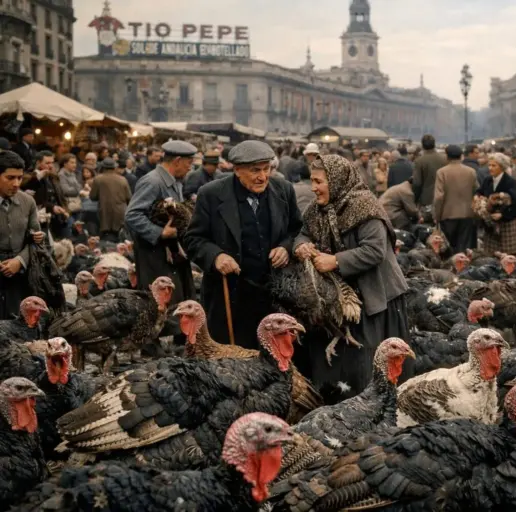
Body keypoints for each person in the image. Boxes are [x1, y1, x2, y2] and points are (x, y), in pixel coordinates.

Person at [293, 154, 409, 399]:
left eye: (318, 182)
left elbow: (374, 251)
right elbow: (304, 233)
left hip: (375, 298)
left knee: (367, 363)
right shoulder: (317, 210)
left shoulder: (364, 207)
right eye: (312, 181)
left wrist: (335, 261)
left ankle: (372, 409)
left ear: (336, 180)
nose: (313, 188)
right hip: (340, 298)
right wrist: (302, 246)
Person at [184, 140, 301, 349]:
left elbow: (297, 230)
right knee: (232, 360)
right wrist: (216, 256)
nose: (263, 176)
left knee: (272, 356)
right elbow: (193, 239)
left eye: (267, 169)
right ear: (237, 170)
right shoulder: (211, 194)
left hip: (273, 295)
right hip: (230, 295)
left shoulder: (283, 190)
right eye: (255, 170)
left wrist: (286, 247)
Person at [125, 140, 196, 304]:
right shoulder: (152, 181)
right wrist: (159, 233)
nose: (190, 167)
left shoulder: (174, 181)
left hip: (169, 254)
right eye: (189, 163)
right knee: (160, 303)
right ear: (177, 161)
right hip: (154, 255)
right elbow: (132, 215)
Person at [0, 151, 45, 320]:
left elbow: (37, 240)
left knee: (17, 323)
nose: (16, 183)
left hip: (20, 275)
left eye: (19, 178)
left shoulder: (28, 202)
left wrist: (19, 261)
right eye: (10, 178)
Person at [433, 144, 478, 253]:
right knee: (464, 248)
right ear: (461, 156)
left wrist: (436, 215)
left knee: (449, 249)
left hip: (448, 215)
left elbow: (439, 197)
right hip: (467, 214)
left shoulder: (442, 172)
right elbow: (476, 192)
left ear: (447, 156)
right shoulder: (471, 171)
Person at [477, 152, 516, 255]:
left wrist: (503, 215)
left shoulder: (510, 182)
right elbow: (480, 192)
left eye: (494, 165)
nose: (490, 168)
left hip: (508, 224)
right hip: (491, 225)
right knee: (492, 255)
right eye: (489, 165)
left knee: (509, 255)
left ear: (502, 167)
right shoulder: (488, 180)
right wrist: (478, 199)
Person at [22, 150, 69, 240]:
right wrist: (38, 177)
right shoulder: (30, 177)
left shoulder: (52, 176)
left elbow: (59, 195)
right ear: (38, 162)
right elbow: (35, 199)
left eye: (52, 162)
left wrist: (65, 209)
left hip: (57, 218)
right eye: (47, 163)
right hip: (40, 219)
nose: (50, 165)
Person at [89, 158, 132, 243]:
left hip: (104, 214)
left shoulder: (98, 179)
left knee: (105, 241)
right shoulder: (123, 179)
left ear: (103, 167)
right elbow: (129, 198)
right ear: (115, 167)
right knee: (121, 241)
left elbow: (93, 197)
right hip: (120, 214)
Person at [412, 134, 447, 207]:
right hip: (444, 197)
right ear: (434, 144)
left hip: (427, 199)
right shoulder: (444, 159)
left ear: (423, 145)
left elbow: (417, 183)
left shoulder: (419, 161)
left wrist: (415, 199)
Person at [58, 153, 82, 219]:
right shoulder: (61, 175)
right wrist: (78, 190)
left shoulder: (72, 173)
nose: (75, 165)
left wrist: (78, 188)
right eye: (72, 163)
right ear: (65, 164)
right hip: (68, 206)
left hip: (76, 205)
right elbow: (65, 190)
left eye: (75, 163)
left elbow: (78, 186)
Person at [79, 167, 99, 236]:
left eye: (87, 172)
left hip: (92, 210)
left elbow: (94, 195)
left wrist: (88, 190)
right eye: (84, 172)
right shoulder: (81, 182)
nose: (85, 174)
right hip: (84, 209)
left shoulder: (95, 181)